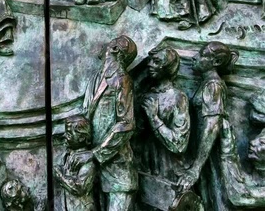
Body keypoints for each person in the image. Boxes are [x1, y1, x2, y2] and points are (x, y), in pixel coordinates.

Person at [177, 41, 238, 210]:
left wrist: (195, 168)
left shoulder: (213, 85)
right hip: (204, 152)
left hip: (211, 152)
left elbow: (212, 125)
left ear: (215, 62)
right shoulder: (207, 84)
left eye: (201, 55)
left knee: (216, 199)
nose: (195, 57)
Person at [82, 35, 138, 211]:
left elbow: (127, 124)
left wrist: (97, 153)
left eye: (110, 41)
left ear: (114, 49)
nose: (104, 44)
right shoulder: (96, 77)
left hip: (117, 169)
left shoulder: (122, 80)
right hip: (96, 168)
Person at [140, 45, 190, 178]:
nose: (150, 64)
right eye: (150, 60)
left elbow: (179, 145)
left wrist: (154, 118)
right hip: (145, 171)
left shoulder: (178, 97)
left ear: (168, 67)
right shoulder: (146, 96)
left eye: (156, 61)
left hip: (169, 174)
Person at [54, 116, 96, 210]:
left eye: (69, 134)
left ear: (81, 138)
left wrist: (60, 176)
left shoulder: (87, 162)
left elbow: (79, 188)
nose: (65, 136)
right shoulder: (68, 156)